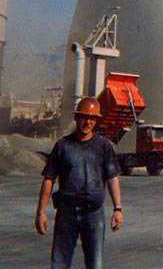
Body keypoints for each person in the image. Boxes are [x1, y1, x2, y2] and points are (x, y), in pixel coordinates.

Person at [35, 97, 124, 269]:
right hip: (66, 214)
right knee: (59, 263)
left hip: (94, 215)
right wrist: (41, 213)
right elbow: (48, 179)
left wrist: (118, 209)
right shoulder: (63, 146)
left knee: (95, 264)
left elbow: (113, 177)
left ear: (97, 120)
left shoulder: (104, 146)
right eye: (84, 117)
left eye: (92, 118)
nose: (87, 121)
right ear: (76, 118)